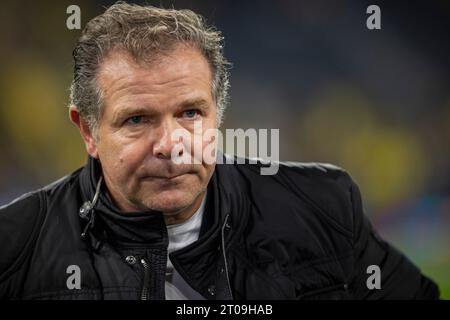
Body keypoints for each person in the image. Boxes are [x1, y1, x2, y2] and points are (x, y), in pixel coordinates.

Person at [0, 2, 439, 300]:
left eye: (190, 113)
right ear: (89, 132)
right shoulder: (16, 247)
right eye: (137, 120)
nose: (172, 145)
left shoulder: (324, 207)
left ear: (218, 116)